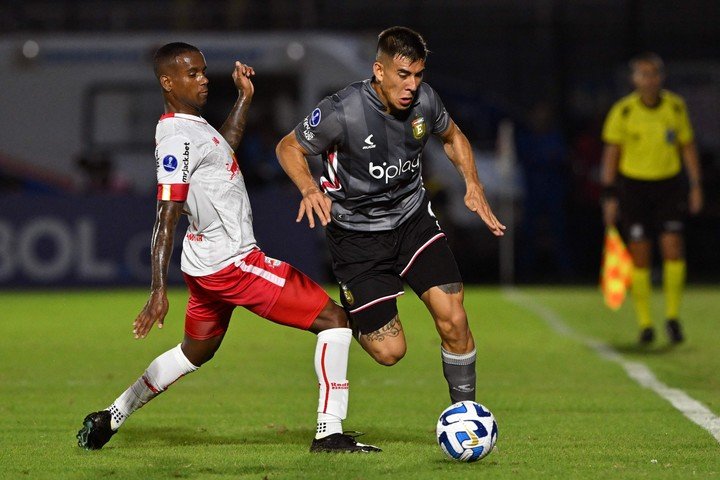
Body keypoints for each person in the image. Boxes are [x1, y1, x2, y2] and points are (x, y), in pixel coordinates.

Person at [76, 42, 380, 453]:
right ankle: (329, 433)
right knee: (335, 320)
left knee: (194, 352)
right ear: (168, 82)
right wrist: (157, 290)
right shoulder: (175, 137)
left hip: (207, 267)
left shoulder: (195, 126)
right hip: (233, 264)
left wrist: (244, 98)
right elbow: (167, 213)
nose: (203, 80)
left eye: (203, 72)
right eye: (193, 74)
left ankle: (110, 417)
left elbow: (225, 147)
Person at [276, 27, 505, 405]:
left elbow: (453, 137)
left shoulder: (425, 102)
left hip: (413, 221)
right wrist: (309, 187)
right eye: (403, 75)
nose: (412, 85)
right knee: (390, 352)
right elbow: (288, 147)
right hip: (356, 236)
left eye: (418, 75)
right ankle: (344, 315)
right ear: (378, 71)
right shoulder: (342, 110)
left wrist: (473, 184)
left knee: (454, 316)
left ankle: (466, 414)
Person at [600, 52, 703, 345]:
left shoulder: (675, 106)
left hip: (668, 186)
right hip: (634, 188)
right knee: (641, 254)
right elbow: (611, 155)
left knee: (673, 247)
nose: (649, 80)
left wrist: (695, 185)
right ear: (634, 79)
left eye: (654, 74)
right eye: (643, 75)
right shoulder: (624, 111)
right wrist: (609, 196)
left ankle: (672, 317)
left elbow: (687, 146)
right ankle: (645, 323)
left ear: (662, 77)